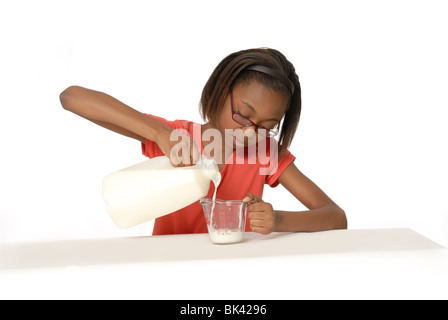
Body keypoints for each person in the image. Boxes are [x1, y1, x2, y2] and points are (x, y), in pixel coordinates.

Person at [59, 48, 347, 236]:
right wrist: (158, 133)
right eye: (243, 115)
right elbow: (72, 98)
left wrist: (279, 221)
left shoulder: (264, 154)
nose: (250, 132)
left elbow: (335, 217)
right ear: (220, 92)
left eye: (267, 127)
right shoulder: (178, 139)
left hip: (235, 270)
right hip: (170, 268)